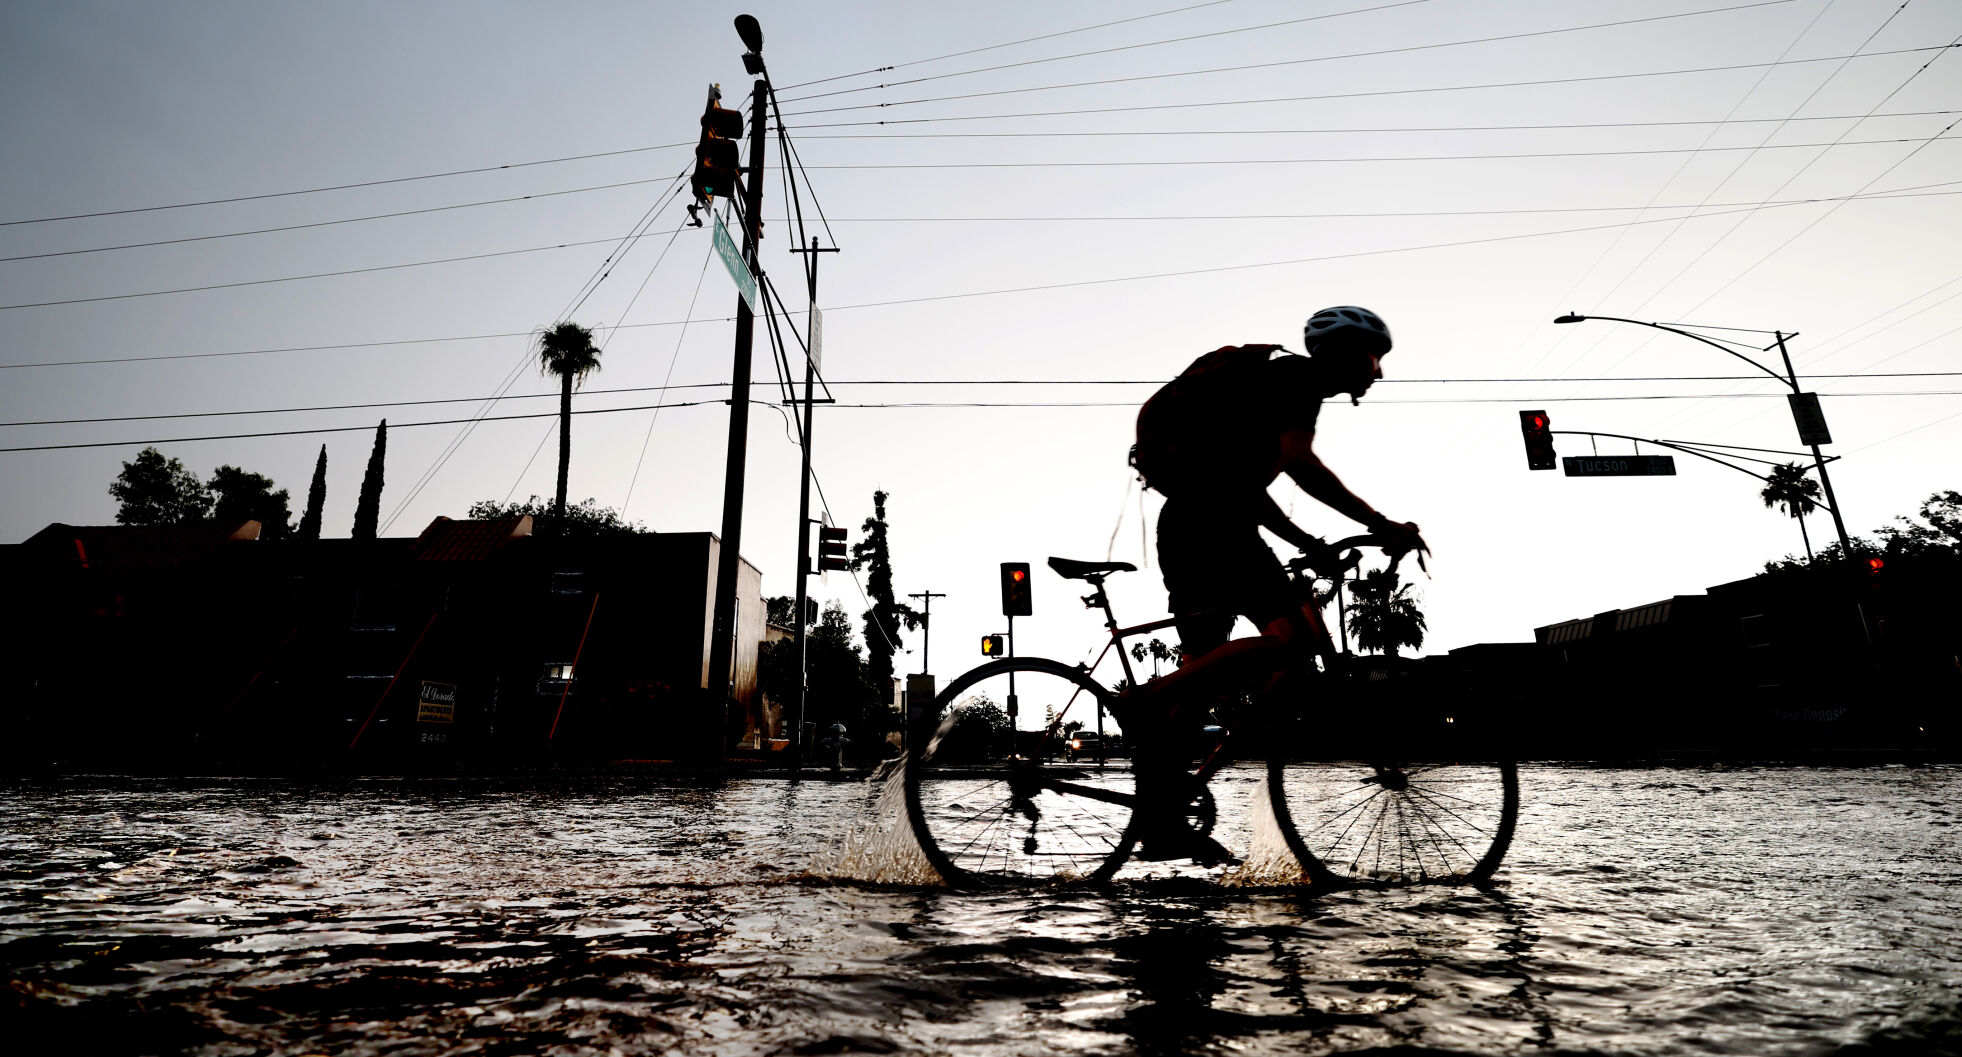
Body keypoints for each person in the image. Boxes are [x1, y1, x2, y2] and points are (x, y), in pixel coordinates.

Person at [1122, 305, 1426, 864]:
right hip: (1215, 528)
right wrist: (1379, 524)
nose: (1378, 370)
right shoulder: (1296, 381)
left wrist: (1308, 543)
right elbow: (1299, 465)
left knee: (1201, 678)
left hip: (1196, 523)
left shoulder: (1268, 388)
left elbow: (1244, 489)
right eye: (1373, 356)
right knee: (1294, 640)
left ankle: (1161, 824)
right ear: (1345, 354)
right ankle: (1147, 698)